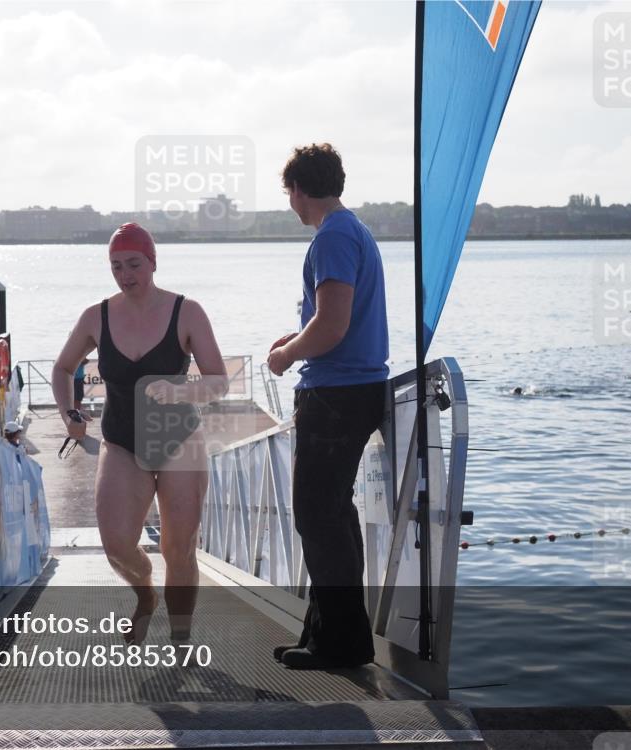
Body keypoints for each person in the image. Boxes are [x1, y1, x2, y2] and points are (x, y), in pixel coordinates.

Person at [52, 223, 228, 644]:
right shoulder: (98, 315)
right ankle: (146, 594)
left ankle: (181, 637)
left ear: (152, 262)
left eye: (133, 264)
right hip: (122, 441)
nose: (125, 274)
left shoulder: (186, 311)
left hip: (178, 440)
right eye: (116, 266)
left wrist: (182, 389)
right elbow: (62, 369)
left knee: (178, 548)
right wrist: (69, 412)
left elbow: (219, 381)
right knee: (115, 544)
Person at [267, 143, 389, 670]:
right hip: (354, 389)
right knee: (333, 516)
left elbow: (334, 326)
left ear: (299, 189)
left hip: (335, 395)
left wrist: (286, 356)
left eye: (289, 193)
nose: (290, 203)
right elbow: (339, 319)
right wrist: (301, 335)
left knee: (317, 516)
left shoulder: (332, 236)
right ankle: (326, 634)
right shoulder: (353, 230)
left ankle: (341, 643)